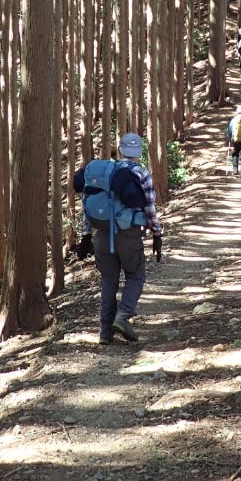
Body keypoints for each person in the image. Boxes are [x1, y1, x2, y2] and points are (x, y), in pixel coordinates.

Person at [74, 132, 161, 345]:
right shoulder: (142, 173)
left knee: (108, 280)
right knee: (135, 275)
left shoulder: (104, 173)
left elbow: (89, 202)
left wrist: (86, 235)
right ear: (139, 152)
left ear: (120, 150)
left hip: (102, 234)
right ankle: (122, 317)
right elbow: (149, 207)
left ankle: (105, 332)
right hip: (129, 233)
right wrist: (157, 233)